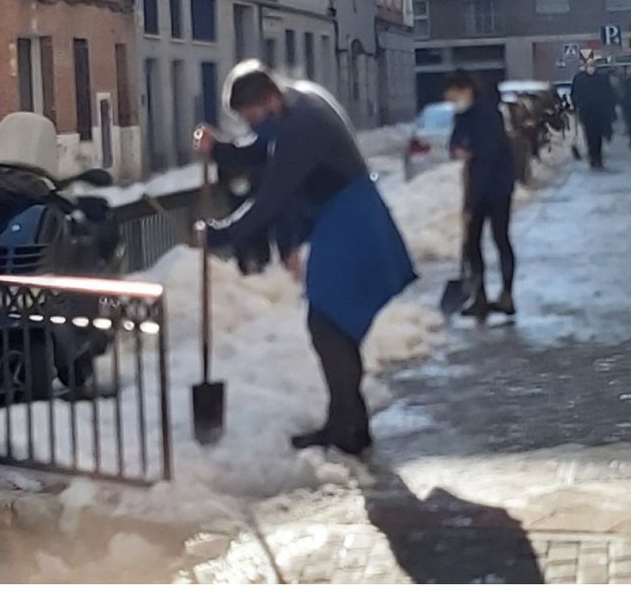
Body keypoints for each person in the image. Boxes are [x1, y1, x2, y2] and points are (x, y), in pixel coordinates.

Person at [198, 64, 414, 457]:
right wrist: (222, 149)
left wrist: (220, 233)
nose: (251, 125)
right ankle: (352, 426)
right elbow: (263, 148)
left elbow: (274, 193)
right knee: (335, 327)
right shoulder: (295, 105)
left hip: (352, 225)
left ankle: (344, 426)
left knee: (329, 324)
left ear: (268, 101)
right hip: (341, 219)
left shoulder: (303, 125)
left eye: (251, 117)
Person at [445, 71, 516, 318]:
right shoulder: (463, 114)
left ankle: (507, 295)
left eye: (453, 95)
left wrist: (471, 205)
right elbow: (454, 142)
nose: (452, 101)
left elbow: (488, 159)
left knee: (500, 238)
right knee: (472, 243)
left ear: (466, 90)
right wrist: (458, 148)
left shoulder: (488, 115)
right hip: (477, 182)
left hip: (497, 187)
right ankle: (480, 296)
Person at [568, 57, 617, 170]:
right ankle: (593, 158)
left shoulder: (602, 79)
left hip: (599, 112)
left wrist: (608, 108)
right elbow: (574, 93)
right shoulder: (579, 79)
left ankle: (598, 158)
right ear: (585, 67)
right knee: (589, 136)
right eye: (589, 66)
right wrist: (576, 104)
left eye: (592, 66)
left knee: (598, 136)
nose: (591, 68)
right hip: (586, 112)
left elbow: (609, 94)